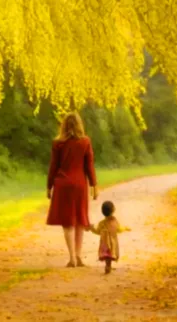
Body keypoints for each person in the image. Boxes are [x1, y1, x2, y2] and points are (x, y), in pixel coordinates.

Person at [46, 112, 98, 267]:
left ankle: (72, 258)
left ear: (64, 125)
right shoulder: (85, 142)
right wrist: (94, 185)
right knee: (80, 220)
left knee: (68, 222)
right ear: (79, 124)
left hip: (63, 184)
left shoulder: (58, 143)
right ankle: (79, 255)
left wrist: (49, 186)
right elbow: (89, 165)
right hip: (79, 184)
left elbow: (53, 166)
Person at [89, 200, 131, 274]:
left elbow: (98, 232)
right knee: (111, 254)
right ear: (113, 210)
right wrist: (125, 228)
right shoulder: (114, 221)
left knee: (107, 255)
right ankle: (108, 266)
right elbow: (119, 229)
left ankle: (108, 265)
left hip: (104, 243)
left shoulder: (101, 223)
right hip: (112, 242)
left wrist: (91, 228)